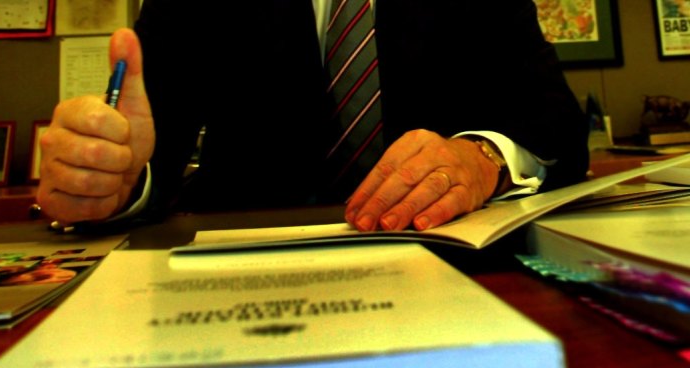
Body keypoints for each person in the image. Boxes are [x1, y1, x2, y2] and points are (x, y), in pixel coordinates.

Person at [37, 0, 589, 232]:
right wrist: (110, 176)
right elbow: (149, 145)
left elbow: (558, 124)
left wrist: (482, 159)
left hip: (446, 257)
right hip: (240, 277)